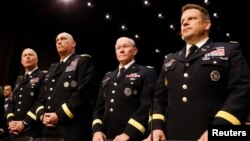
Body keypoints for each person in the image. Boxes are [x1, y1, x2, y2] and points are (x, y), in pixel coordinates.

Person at [144, 3, 250, 141]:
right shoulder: (170, 59)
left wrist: (218, 130)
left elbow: (241, 91)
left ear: (206, 24)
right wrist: (156, 127)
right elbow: (159, 99)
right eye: (182, 21)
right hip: (172, 135)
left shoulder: (228, 51)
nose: (185, 23)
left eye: (192, 18)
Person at [92, 37, 157, 141]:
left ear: (135, 51)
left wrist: (129, 133)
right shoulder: (108, 76)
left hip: (132, 136)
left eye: (125, 46)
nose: (121, 50)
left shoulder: (146, 72)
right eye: (118, 48)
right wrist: (96, 131)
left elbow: (147, 106)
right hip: (106, 136)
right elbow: (99, 108)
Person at [34, 32, 96, 141]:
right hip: (48, 128)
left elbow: (82, 93)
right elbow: (41, 97)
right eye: (57, 40)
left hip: (70, 128)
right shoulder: (52, 68)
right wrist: (42, 115)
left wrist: (59, 115)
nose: (59, 41)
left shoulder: (82, 60)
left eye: (63, 39)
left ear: (73, 44)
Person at [5, 48, 46, 141]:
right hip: (14, 129)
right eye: (25, 55)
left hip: (32, 128)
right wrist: (10, 121)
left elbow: (40, 101)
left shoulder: (43, 76)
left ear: (37, 59)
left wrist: (24, 122)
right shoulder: (19, 80)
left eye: (30, 55)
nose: (27, 57)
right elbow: (12, 102)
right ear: (21, 61)